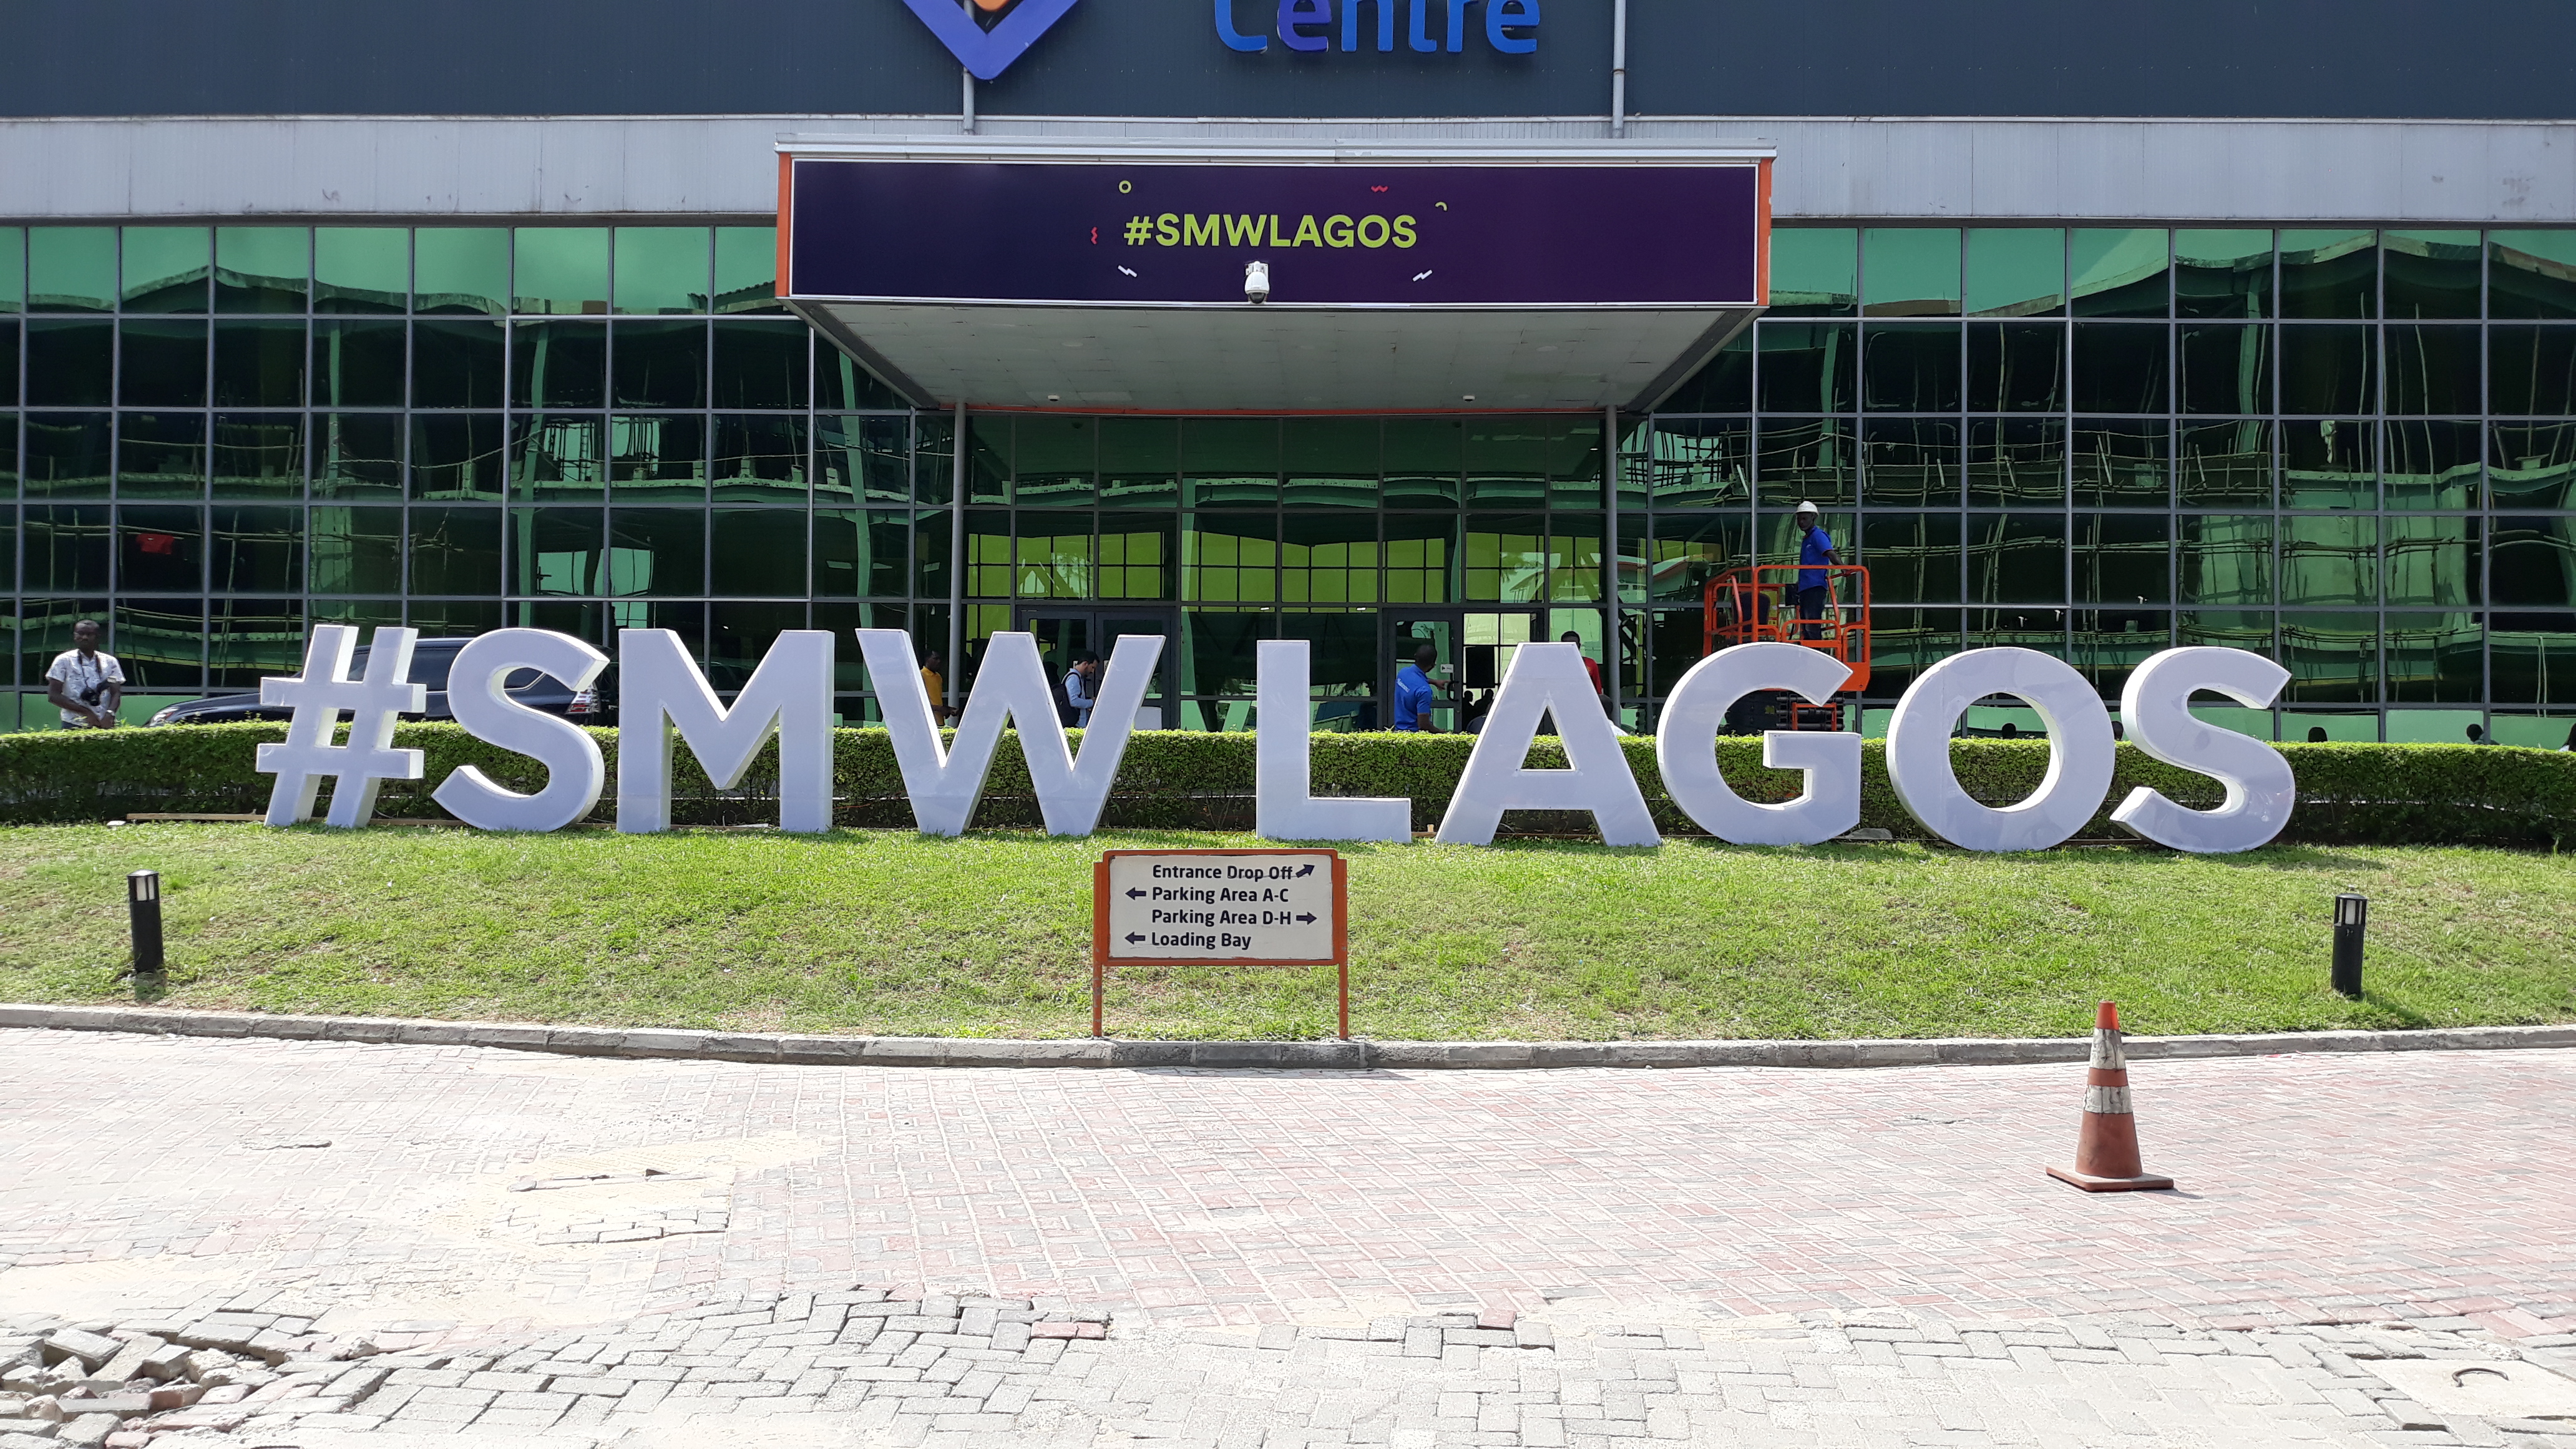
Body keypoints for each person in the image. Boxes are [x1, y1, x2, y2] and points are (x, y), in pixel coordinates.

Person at [46, 620, 124, 729]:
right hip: (73, 723)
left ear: (98, 637)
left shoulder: (110, 661)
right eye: (80, 634)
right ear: (74, 636)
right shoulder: (63, 660)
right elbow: (54, 696)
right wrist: (87, 713)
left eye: (89, 634)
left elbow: (116, 693)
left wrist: (110, 714)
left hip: (104, 722)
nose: (85, 637)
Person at [1790, 501, 1840, 641]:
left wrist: (1846, 569)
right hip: (1806, 587)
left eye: (1804, 518)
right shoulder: (1808, 539)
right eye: (1799, 519)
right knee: (1806, 625)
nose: (1801, 522)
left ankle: (1816, 653)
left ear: (1813, 517)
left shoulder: (1818, 536)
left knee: (1812, 624)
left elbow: (1831, 553)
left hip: (1815, 587)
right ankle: (1810, 655)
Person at [1392, 643, 1445, 733]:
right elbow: (1424, 725)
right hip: (1415, 737)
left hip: (1398, 732)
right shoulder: (1424, 691)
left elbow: (1415, 682)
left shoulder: (1403, 673)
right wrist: (1441, 732)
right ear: (1432, 665)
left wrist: (1434, 682)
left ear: (1415, 657)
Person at [1060, 651, 1098, 727]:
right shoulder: (1074, 678)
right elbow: (1074, 701)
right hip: (1076, 724)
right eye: (1092, 667)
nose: (1093, 671)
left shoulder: (1075, 677)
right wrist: (1092, 702)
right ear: (1085, 664)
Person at [1560, 630, 1604, 696]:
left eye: (1573, 644)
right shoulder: (1557, 665)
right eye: (1567, 645)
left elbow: (1598, 688)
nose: (1570, 647)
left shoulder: (1590, 664)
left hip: (1585, 699)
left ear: (1579, 645)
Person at [919, 649, 955, 726]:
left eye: (939, 659)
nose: (939, 661)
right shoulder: (921, 676)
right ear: (927, 659)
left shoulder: (938, 677)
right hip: (927, 722)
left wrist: (947, 709)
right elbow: (919, 702)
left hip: (939, 721)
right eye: (935, 659)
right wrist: (939, 709)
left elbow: (936, 699)